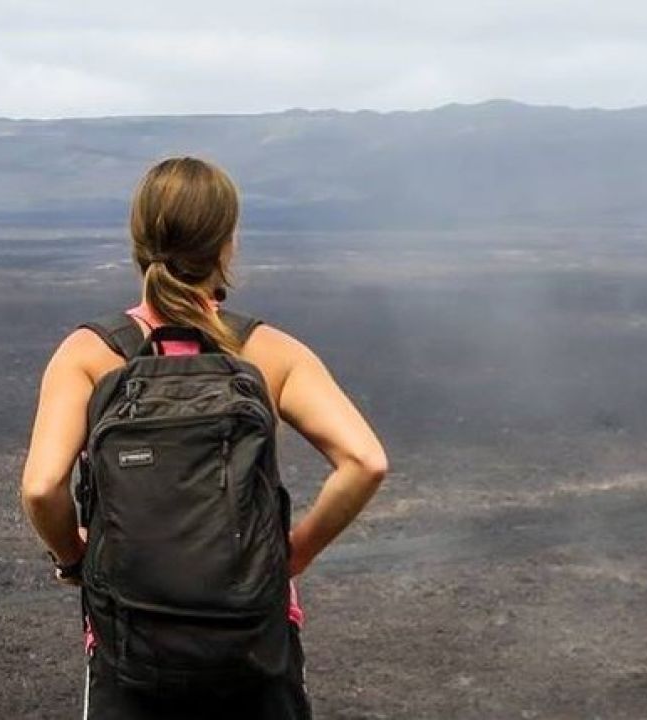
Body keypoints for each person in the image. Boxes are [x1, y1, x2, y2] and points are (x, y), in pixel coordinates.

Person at [20, 156, 388, 719]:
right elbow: (364, 462)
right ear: (228, 243)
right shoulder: (270, 352)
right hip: (253, 644)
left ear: (139, 240)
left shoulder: (90, 354)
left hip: (130, 647)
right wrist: (294, 555)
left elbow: (44, 488)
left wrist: (76, 560)